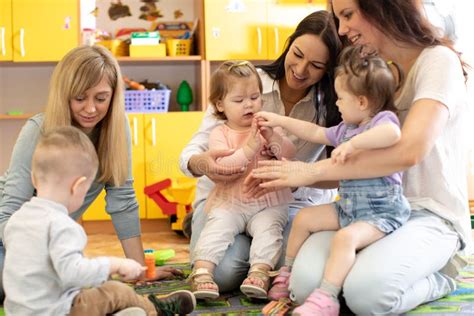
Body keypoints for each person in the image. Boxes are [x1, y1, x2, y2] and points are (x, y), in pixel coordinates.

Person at [249, 0, 470, 314]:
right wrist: (289, 175)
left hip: (428, 212)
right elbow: (352, 164)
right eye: (339, 18)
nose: (341, 29)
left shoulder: (437, 62)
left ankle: (441, 277)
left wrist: (309, 172)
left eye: (348, 15)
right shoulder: (370, 72)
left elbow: (410, 151)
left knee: (366, 296)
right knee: (304, 287)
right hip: (363, 209)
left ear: (383, 7)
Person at [0, 45, 182, 299]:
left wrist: (141, 270)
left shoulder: (117, 131)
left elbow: (123, 202)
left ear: (113, 96)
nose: (90, 108)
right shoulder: (38, 130)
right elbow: (8, 214)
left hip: (49, 245)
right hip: (12, 237)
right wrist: (37, 260)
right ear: (65, 95)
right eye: (79, 98)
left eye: (101, 98)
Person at [179, 10, 343, 293]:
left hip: (282, 204)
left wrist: (293, 169)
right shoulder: (243, 83)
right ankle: (212, 235)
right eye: (297, 54)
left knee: (291, 271)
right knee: (223, 275)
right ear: (288, 44)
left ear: (328, 70)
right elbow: (198, 147)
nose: (301, 70)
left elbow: (324, 165)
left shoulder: (334, 104)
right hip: (226, 201)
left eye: (315, 65)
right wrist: (200, 162)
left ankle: (254, 259)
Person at [256, 45, 410, 314]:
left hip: (380, 214)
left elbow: (392, 135)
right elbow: (314, 132)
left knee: (344, 239)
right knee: (304, 220)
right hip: (348, 207)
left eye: (341, 98)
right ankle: (286, 273)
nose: (336, 104)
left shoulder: (381, 120)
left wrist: (353, 145)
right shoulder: (345, 129)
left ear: (361, 102)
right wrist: (280, 120)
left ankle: (326, 298)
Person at [3, 126, 196, 316]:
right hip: (59, 311)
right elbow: (73, 273)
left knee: (94, 293)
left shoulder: (16, 220)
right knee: (115, 291)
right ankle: (156, 310)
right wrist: (113, 264)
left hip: (18, 311)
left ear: (34, 179)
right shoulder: (63, 226)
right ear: (78, 187)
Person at [189, 61, 296, 300]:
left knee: (269, 230)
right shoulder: (220, 133)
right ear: (220, 105)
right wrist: (250, 148)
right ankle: (203, 272)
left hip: (267, 200)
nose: (248, 104)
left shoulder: (266, 127)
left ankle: (259, 272)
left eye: (254, 97)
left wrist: (273, 138)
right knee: (217, 227)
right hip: (231, 202)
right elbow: (226, 167)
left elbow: (289, 154)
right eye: (239, 100)